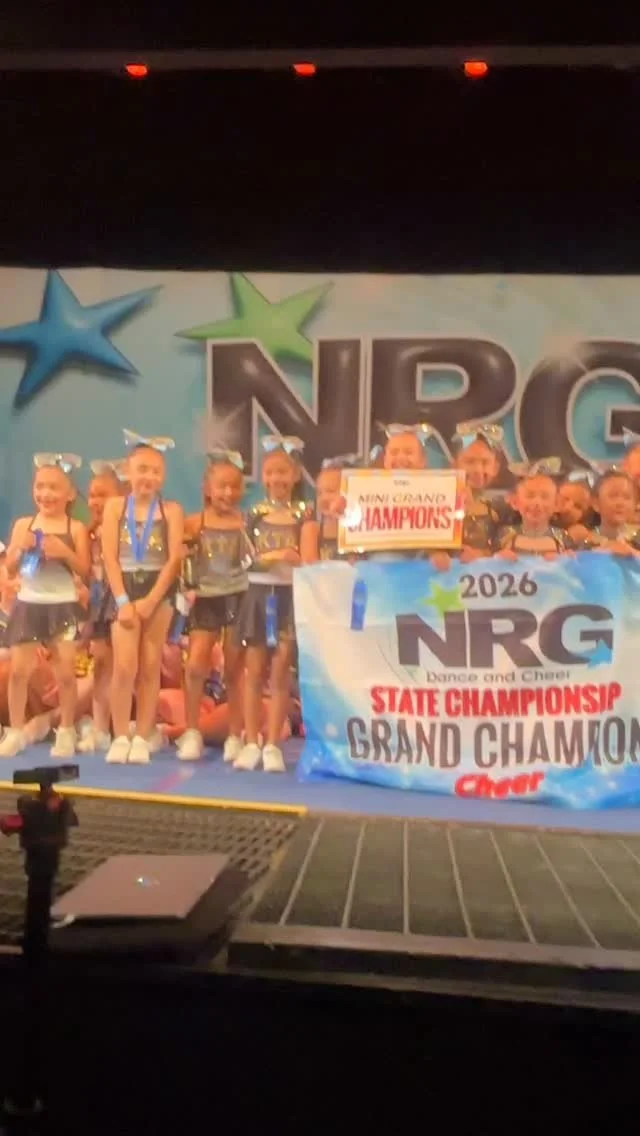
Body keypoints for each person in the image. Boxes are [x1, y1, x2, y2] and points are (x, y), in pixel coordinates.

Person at [0, 453, 90, 758]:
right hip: (29, 603)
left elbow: (85, 570)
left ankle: (66, 729)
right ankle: (15, 731)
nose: (46, 494)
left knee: (65, 673)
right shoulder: (24, 525)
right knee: (18, 671)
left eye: (53, 487)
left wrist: (64, 552)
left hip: (62, 606)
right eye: (40, 487)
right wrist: (19, 550)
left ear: (70, 494)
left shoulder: (75, 528)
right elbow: (10, 568)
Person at [101, 429, 183, 765]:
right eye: (142, 469)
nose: (148, 477)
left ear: (163, 476)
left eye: (155, 471)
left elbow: (174, 559)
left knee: (150, 666)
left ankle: (143, 735)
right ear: (128, 471)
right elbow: (109, 557)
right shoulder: (115, 507)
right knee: (124, 666)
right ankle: (121, 734)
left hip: (158, 588)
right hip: (123, 586)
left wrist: (151, 600)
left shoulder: (171, 510)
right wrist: (122, 600)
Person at [233, 435, 313, 773]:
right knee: (254, 672)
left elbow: (307, 561)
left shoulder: (305, 514)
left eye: (283, 472)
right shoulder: (253, 514)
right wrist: (280, 555)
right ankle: (251, 741)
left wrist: (292, 558)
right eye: (270, 472)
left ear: (295, 475)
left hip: (289, 598)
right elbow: (244, 560)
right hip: (258, 596)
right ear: (263, 476)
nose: (276, 479)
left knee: (281, 672)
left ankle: (273, 746)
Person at [175, 450, 253, 762]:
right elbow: (180, 562)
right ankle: (192, 730)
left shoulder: (246, 523)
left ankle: (235, 733)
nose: (228, 493)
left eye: (234, 486)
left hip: (239, 596)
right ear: (207, 488)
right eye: (221, 486)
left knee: (234, 669)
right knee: (196, 664)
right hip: (205, 598)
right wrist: (186, 587)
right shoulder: (194, 523)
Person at [77, 459, 126, 753]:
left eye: (103, 495)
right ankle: (100, 728)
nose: (95, 501)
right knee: (102, 666)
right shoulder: (87, 534)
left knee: (123, 666)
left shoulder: (127, 532)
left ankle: (124, 731)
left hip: (122, 603)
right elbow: (84, 573)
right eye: (92, 495)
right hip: (97, 606)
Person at [497, 459, 573, 558]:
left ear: (557, 504)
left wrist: (565, 559)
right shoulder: (505, 535)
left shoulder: (562, 538)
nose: (537, 503)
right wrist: (499, 558)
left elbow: (574, 563)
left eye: (545, 497)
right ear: (514, 502)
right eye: (530, 496)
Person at [300, 454, 361, 563]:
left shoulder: (362, 529)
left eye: (330, 491)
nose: (323, 498)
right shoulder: (312, 530)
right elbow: (309, 566)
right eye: (319, 493)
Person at [574, 467, 640, 554]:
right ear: (596, 503)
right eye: (613, 496)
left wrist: (632, 553)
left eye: (627, 497)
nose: (620, 503)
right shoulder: (587, 544)